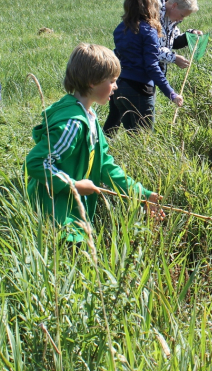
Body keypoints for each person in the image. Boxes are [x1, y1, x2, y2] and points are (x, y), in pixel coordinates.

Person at [25, 43, 164, 241]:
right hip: (55, 213)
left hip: (69, 208)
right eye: (112, 81)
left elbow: (105, 165)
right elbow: (37, 163)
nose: (116, 86)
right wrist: (73, 185)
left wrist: (141, 194)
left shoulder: (88, 116)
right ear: (92, 82)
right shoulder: (73, 124)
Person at [103, 0, 184, 133]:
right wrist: (171, 93)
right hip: (139, 90)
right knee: (143, 140)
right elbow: (152, 66)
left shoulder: (120, 28)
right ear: (151, 5)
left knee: (129, 133)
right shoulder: (148, 30)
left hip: (120, 86)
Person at [158, 0, 203, 75]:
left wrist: (189, 36)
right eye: (182, 15)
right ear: (174, 6)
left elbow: (173, 42)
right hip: (139, 74)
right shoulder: (152, 17)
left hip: (155, 75)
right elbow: (149, 49)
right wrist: (173, 58)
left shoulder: (170, 18)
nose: (181, 19)